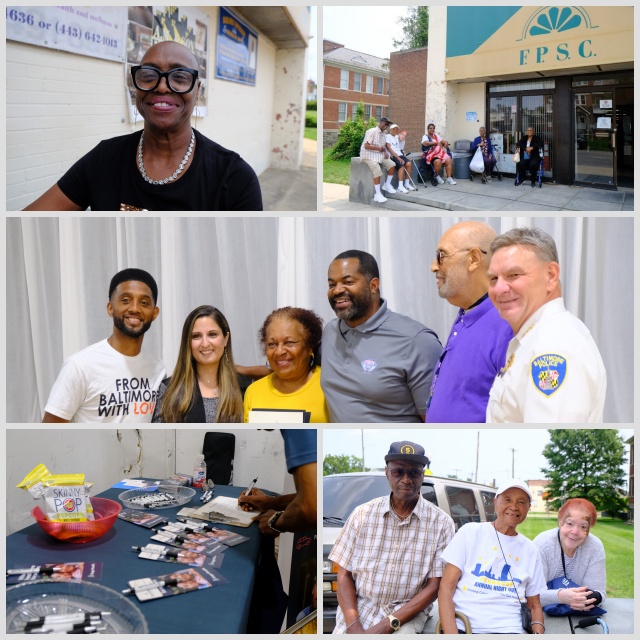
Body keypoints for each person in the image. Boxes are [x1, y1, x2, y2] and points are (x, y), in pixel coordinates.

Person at [23, 41, 262, 211]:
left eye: (179, 77)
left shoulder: (235, 179)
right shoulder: (104, 159)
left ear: (197, 90)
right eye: (149, 75)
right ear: (135, 86)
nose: (161, 87)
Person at [329, 441, 455, 634]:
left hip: (407, 615)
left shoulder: (441, 523)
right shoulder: (361, 514)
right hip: (360, 610)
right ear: (387, 473)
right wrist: (354, 626)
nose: (406, 479)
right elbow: (344, 574)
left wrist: (386, 625)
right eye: (398, 472)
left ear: (422, 476)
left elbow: (434, 585)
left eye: (414, 473)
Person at [485, 227, 606, 422]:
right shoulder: (540, 337)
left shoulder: (552, 345)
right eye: (493, 278)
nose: (498, 288)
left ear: (550, 276)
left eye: (514, 275)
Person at [321, 250, 442, 422]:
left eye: (348, 282)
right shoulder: (329, 332)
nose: (337, 290)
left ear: (373, 285)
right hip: (345, 448)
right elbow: (298, 358)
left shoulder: (417, 341)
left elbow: (435, 421)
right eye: (332, 285)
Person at [43, 268, 165, 423]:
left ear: (154, 313)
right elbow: (49, 433)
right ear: (110, 308)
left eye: (144, 303)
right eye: (125, 300)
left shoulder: (158, 369)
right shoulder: (80, 366)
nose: (135, 308)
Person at [426, 222, 512, 423]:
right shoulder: (467, 313)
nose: (433, 266)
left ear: (473, 259)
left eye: (442, 256)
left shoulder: (506, 325)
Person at [438, 480, 546, 634]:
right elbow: (446, 588)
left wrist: (538, 633)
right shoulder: (469, 533)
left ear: (528, 508)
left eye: (521, 502)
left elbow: (534, 605)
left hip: (512, 631)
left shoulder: (531, 550)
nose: (514, 507)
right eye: (507, 499)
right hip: (466, 628)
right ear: (496, 503)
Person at [152, 305, 243, 423]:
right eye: (196, 336)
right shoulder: (169, 390)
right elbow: (158, 439)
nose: (205, 343)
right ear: (188, 343)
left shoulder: (243, 388)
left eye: (212, 334)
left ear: (226, 339)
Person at [243, 307, 328, 423]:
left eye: (289, 342)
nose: (279, 351)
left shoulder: (330, 385)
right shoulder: (253, 391)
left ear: (309, 347)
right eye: (272, 344)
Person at [533, 498, 606, 614]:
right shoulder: (542, 544)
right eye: (570, 523)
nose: (575, 531)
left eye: (583, 527)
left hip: (579, 616)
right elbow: (532, 594)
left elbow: (599, 593)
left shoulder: (595, 547)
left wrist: (586, 599)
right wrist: (560, 596)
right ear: (560, 522)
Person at [238, 429, 316, 535]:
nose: (258, 428)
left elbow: (309, 508)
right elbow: (314, 495)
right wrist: (271, 503)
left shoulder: (296, 430)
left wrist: (275, 521)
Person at [359, 116, 396, 203]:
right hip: (367, 155)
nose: (386, 126)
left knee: (392, 165)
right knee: (377, 169)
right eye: (385, 124)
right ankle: (377, 194)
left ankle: (386, 185)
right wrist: (380, 149)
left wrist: (385, 152)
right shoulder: (372, 131)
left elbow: (383, 147)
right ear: (381, 122)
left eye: (388, 125)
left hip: (378, 155)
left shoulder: (384, 134)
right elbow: (366, 146)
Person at [385, 124, 415, 193]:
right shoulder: (388, 136)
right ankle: (400, 187)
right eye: (393, 129)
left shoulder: (396, 137)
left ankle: (406, 183)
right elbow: (389, 148)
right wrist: (398, 158)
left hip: (400, 154)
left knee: (409, 164)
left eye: (396, 129)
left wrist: (403, 157)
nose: (395, 130)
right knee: (401, 166)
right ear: (390, 129)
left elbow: (400, 148)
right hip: (393, 155)